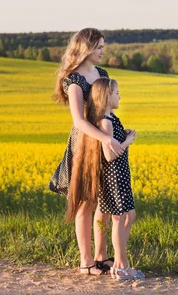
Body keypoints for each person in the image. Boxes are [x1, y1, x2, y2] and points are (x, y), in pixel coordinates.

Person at [49, 28, 125, 275]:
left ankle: (102, 257)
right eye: (100, 46)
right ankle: (86, 262)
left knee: (103, 202)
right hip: (85, 144)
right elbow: (79, 121)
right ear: (87, 48)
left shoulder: (101, 73)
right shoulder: (74, 80)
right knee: (86, 202)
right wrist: (105, 137)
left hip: (103, 140)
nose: (104, 51)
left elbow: (106, 106)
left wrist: (117, 132)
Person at [66, 77, 144, 280]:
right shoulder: (105, 121)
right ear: (107, 97)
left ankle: (119, 261)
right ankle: (121, 267)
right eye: (117, 93)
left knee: (129, 216)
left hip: (121, 176)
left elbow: (113, 141)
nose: (120, 96)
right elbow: (109, 155)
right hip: (114, 177)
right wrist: (127, 141)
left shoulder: (112, 118)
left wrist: (124, 134)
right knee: (120, 219)